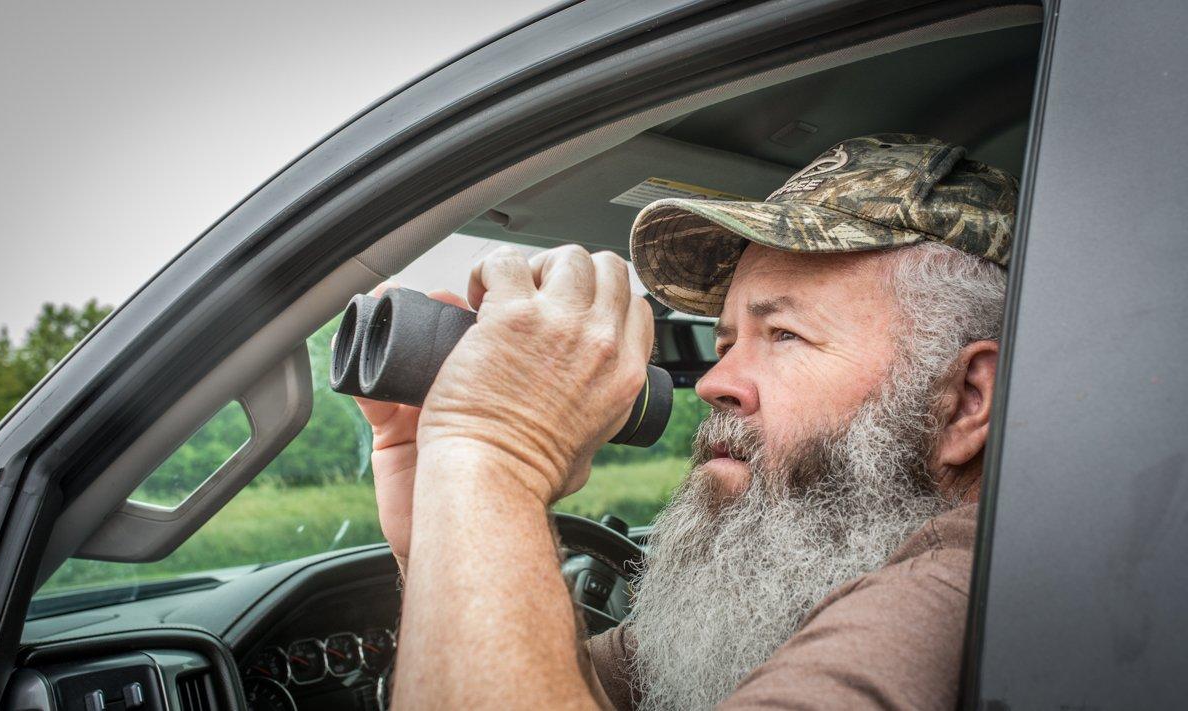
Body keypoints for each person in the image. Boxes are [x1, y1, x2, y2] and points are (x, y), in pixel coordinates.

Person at [352, 133, 1017, 709]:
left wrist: (491, 451)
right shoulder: (802, 562)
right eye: (726, 342)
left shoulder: (959, 597)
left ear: (962, 401)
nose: (715, 382)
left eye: (783, 334)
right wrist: (440, 524)